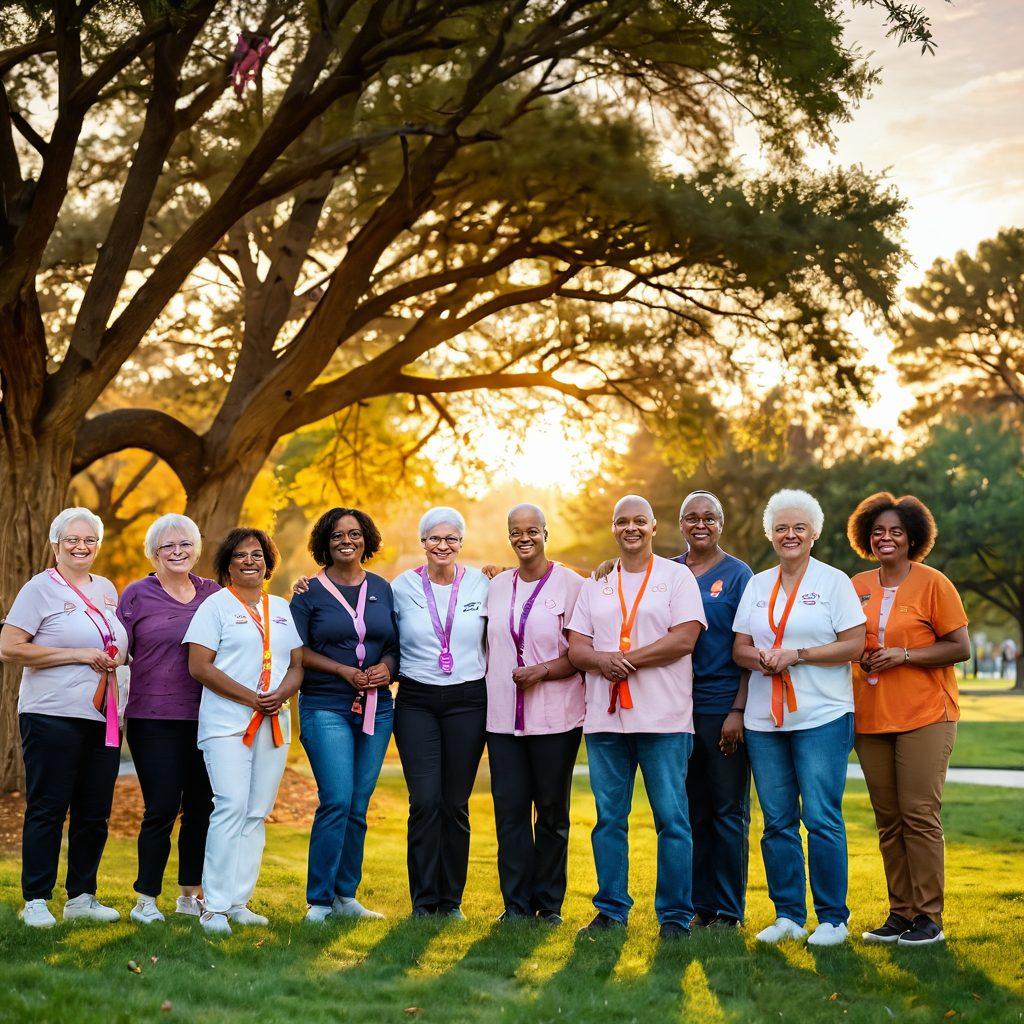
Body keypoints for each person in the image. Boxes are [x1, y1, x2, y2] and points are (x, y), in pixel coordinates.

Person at [567, 494, 706, 940]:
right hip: (606, 721)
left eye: (639, 521)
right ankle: (611, 910)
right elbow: (577, 646)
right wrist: (603, 661)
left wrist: (625, 659)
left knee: (672, 819)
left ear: (652, 526)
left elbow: (685, 638)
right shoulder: (597, 582)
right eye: (622, 521)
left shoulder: (676, 576)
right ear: (613, 527)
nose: (631, 528)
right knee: (609, 819)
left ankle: (675, 917)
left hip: (663, 719)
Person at [733, 489, 866, 947]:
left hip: (823, 717)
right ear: (771, 534)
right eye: (782, 528)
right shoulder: (756, 584)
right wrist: (764, 659)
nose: (790, 534)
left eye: (799, 528)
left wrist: (799, 655)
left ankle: (833, 919)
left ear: (814, 534)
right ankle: (789, 915)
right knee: (776, 821)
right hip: (764, 721)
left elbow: (854, 645)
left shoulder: (834, 582)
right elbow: (739, 648)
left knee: (823, 818)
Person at [847, 492, 970, 947]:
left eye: (896, 531)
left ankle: (929, 918)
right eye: (878, 531)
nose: (886, 538)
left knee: (919, 814)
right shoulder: (856, 583)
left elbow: (961, 647)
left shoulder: (934, 583)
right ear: (866, 537)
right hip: (871, 717)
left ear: (913, 536)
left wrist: (904, 654)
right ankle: (899, 913)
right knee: (889, 818)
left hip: (925, 715)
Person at [0, 507, 128, 928]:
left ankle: (82, 897)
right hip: (51, 714)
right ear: (56, 544)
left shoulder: (107, 588)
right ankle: (36, 899)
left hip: (103, 716)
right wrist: (75, 655)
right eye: (72, 539)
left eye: (89, 539)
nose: (81, 546)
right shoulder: (40, 589)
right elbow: (10, 647)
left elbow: (115, 643)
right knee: (48, 807)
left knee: (94, 811)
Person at [184, 528, 304, 935]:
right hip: (226, 725)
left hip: (274, 722)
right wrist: (253, 698)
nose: (250, 561)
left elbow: (297, 665)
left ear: (268, 562)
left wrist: (279, 696)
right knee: (231, 806)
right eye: (240, 555)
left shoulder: (283, 608)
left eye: (257, 554)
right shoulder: (214, 606)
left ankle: (239, 902)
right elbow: (199, 667)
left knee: (256, 814)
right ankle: (213, 908)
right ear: (227, 565)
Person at [289, 507, 399, 923]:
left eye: (354, 534)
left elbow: (394, 643)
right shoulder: (306, 593)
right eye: (336, 535)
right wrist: (342, 670)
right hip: (325, 705)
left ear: (366, 540)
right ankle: (318, 900)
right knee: (335, 799)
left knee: (357, 804)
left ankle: (345, 895)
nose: (346, 541)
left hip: (377, 705)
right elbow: (296, 652)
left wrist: (387, 668)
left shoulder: (383, 588)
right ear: (325, 542)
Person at [485, 504, 585, 925]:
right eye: (515, 532)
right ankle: (516, 906)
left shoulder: (572, 584)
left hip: (555, 717)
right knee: (509, 814)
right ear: (509, 537)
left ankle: (549, 905)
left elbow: (579, 654)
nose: (524, 537)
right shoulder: (495, 585)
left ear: (546, 533)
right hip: (502, 717)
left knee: (551, 813)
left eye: (532, 530)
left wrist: (542, 671)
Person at [117, 514, 219, 924]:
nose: (177, 553)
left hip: (207, 717)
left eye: (185, 545)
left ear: (196, 549)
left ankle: (189, 894)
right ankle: (145, 899)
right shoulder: (137, 594)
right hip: (152, 716)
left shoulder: (213, 594)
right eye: (168, 547)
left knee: (201, 808)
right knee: (160, 807)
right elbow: (116, 648)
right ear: (154, 553)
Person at [391, 507, 489, 918]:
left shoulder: (483, 584)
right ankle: (423, 901)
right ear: (423, 543)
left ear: (461, 543)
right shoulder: (400, 587)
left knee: (455, 802)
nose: (442, 545)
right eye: (434, 538)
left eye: (451, 538)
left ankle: (451, 902)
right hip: (417, 701)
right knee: (425, 801)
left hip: (468, 700)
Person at [673, 491, 753, 929]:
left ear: (721, 523)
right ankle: (699, 905)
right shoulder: (665, 570)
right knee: (691, 811)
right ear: (680, 523)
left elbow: (749, 646)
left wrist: (738, 710)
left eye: (709, 517)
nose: (700, 524)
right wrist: (606, 566)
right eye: (691, 518)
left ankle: (728, 909)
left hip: (721, 706)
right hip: (674, 710)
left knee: (727, 811)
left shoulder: (740, 576)